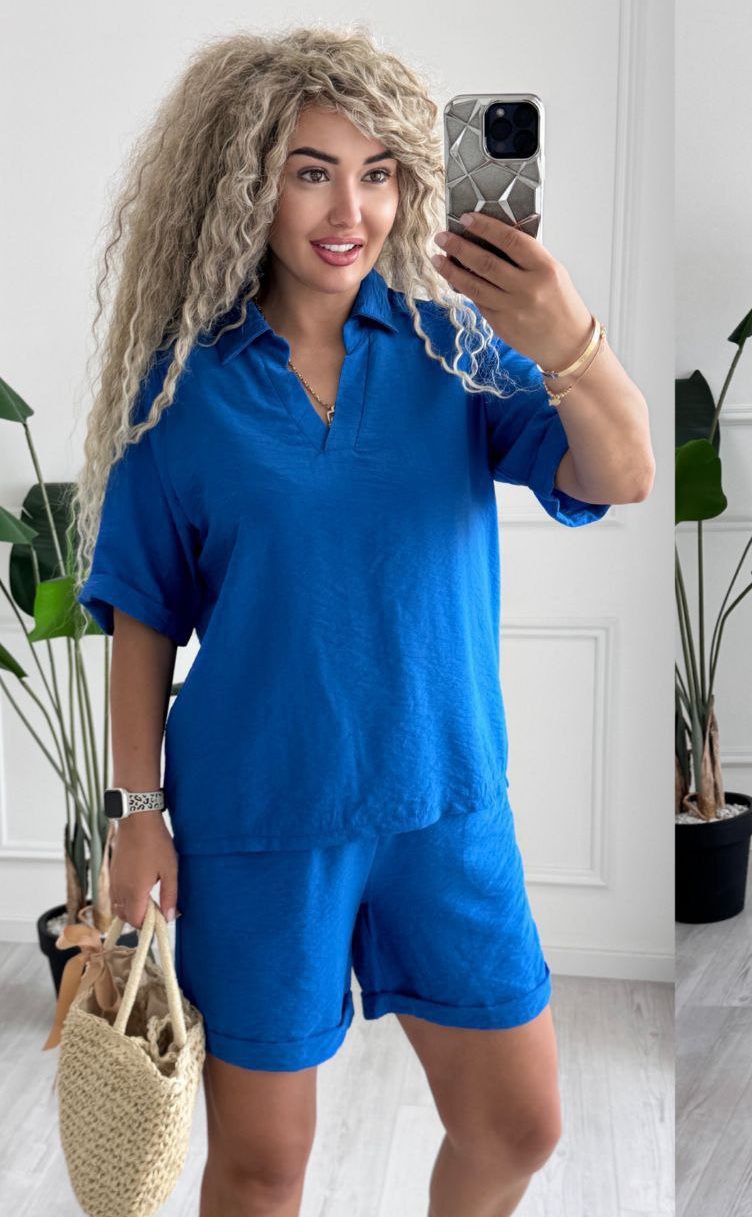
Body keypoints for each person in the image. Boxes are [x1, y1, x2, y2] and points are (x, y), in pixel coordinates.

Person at [71, 25, 654, 1217]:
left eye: (378, 172)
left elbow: (623, 472)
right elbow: (141, 612)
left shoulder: (453, 347)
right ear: (248, 184)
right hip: (258, 820)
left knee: (518, 1124)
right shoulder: (185, 388)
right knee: (261, 1168)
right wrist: (135, 814)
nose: (351, 211)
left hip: (445, 804)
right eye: (311, 172)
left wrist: (566, 342)